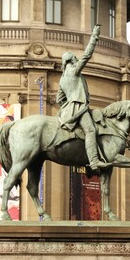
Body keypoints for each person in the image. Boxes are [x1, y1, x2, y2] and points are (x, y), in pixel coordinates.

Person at [56, 25, 111, 170]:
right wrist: (94, 36)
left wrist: (68, 105)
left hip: (68, 111)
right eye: (74, 58)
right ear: (71, 61)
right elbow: (86, 55)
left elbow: (58, 100)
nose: (76, 59)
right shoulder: (74, 71)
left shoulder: (62, 79)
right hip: (79, 108)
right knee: (91, 130)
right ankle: (93, 161)